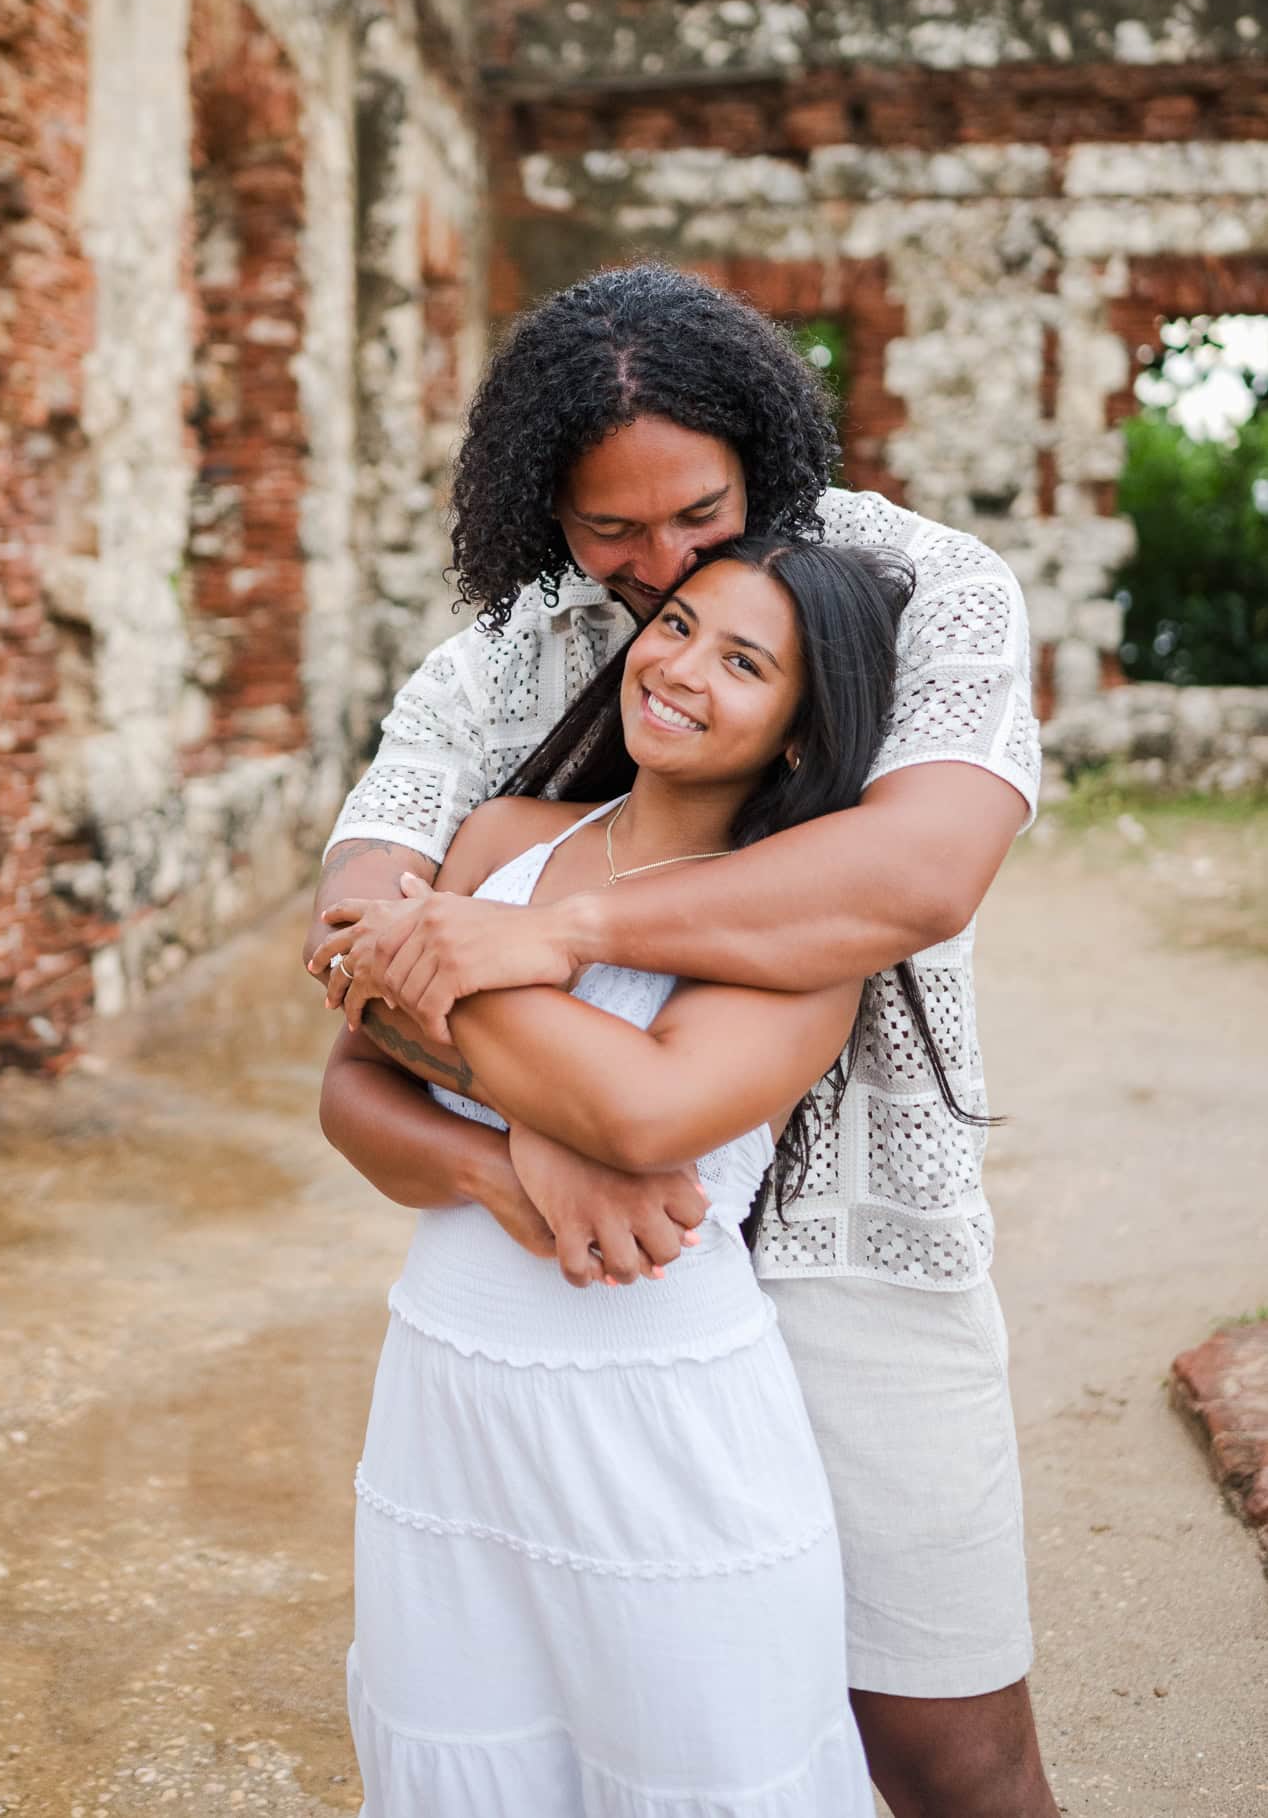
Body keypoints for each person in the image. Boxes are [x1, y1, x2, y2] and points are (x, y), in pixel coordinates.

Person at [310, 264, 1058, 1818]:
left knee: (944, 1746)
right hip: (580, 1275)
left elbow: (912, 874)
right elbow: (356, 939)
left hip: (861, 1238)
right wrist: (529, 1130)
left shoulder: (924, 591)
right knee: (581, 1732)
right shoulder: (498, 658)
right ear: (547, 508)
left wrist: (552, 934)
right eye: (612, 531)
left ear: (768, 456)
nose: (661, 570)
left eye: (700, 513)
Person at [338, 537, 907, 1815]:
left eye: (745, 661)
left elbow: (646, 1116)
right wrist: (508, 1159)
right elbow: (348, 1085)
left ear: (802, 735)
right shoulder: (506, 835)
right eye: (681, 625)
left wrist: (414, 972)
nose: (682, 666)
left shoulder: (798, 933)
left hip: (661, 1430)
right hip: (450, 1404)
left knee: (698, 1774)